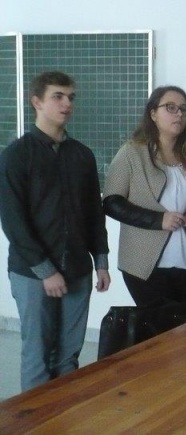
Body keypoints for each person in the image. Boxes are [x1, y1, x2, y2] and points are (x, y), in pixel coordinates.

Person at [0, 71, 111, 391]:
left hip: (77, 269)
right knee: (38, 355)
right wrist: (46, 271)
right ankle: (36, 417)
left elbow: (94, 213)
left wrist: (101, 262)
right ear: (37, 102)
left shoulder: (82, 155)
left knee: (68, 356)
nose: (67, 104)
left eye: (71, 97)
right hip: (32, 274)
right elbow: (13, 222)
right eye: (58, 96)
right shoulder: (16, 156)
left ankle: (66, 414)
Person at [103, 86, 186, 308]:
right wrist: (158, 220)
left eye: (183, 109)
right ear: (153, 114)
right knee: (157, 325)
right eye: (170, 108)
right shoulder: (132, 153)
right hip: (144, 266)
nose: (179, 114)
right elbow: (111, 202)